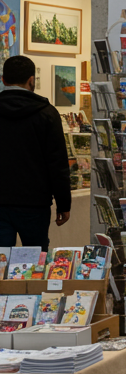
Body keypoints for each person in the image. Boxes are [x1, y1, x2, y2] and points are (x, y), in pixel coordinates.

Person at [0, 55, 71, 251]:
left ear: (3, 79)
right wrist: (64, 204)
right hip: (34, 204)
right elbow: (57, 164)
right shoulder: (47, 113)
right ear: (32, 80)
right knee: (35, 264)